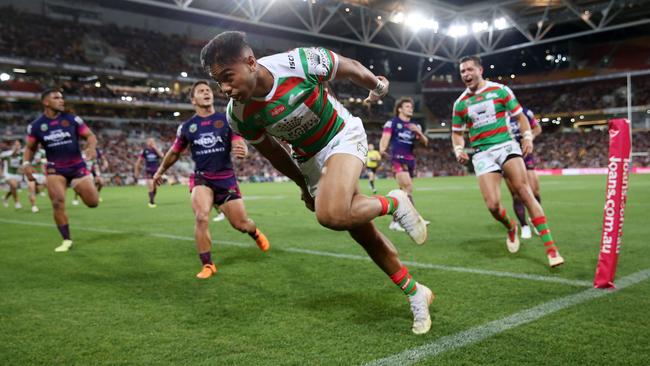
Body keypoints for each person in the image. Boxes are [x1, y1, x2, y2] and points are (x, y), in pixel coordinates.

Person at [201, 31, 432, 334]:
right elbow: (274, 153)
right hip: (308, 161)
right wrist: (303, 185)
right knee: (363, 234)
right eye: (220, 83)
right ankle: (416, 292)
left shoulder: (297, 63)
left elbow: (347, 66)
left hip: (341, 136)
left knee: (331, 214)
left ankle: (394, 202)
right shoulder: (239, 115)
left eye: (228, 77)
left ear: (251, 61)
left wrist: (376, 86)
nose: (226, 89)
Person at [450, 56, 563, 268]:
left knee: (524, 191)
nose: (466, 74)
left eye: (469, 70)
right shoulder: (460, 104)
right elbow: (457, 133)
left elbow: (521, 118)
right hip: (482, 153)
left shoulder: (501, 91)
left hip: (506, 146)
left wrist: (527, 137)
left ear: (480, 70)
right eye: (462, 71)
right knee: (493, 205)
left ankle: (551, 249)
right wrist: (458, 148)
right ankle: (511, 226)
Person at [153, 80, 270, 279]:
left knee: (241, 224)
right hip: (202, 179)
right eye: (201, 91)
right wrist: (160, 171)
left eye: (208, 90)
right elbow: (174, 153)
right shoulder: (188, 127)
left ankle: (254, 232)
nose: (207, 93)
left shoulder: (226, 119)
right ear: (193, 100)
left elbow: (238, 142)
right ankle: (208, 264)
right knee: (201, 216)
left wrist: (243, 149)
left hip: (226, 179)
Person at [23, 89, 100, 252]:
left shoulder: (72, 119)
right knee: (57, 202)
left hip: (77, 166)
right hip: (55, 169)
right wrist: (26, 163)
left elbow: (90, 136)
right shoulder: (36, 126)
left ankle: (81, 186)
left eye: (62, 98)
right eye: (56, 98)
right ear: (46, 102)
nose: (61, 100)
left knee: (93, 202)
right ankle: (66, 240)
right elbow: (30, 147)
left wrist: (91, 147)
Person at [379, 97, 429, 231]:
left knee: (404, 192)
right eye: (407, 106)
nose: (410, 109)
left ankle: (395, 222)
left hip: (410, 160)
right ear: (400, 109)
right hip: (397, 158)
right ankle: (416, 220)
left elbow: (425, 143)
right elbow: (385, 138)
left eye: (411, 107)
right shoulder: (393, 123)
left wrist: (418, 132)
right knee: (408, 188)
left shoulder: (415, 126)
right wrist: (382, 149)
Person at [506, 108, 542, 239]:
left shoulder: (525, 112)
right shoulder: (496, 115)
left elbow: (537, 128)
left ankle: (536, 220)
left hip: (526, 155)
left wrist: (529, 137)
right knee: (516, 195)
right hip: (508, 156)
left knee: (534, 191)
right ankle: (524, 226)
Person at [134, 138, 163, 207]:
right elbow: (139, 161)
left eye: (152, 141)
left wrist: (155, 148)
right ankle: (151, 202)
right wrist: (137, 169)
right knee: (151, 186)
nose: (151, 142)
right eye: (149, 141)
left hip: (156, 171)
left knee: (155, 188)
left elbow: (162, 156)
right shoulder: (145, 151)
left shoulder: (156, 150)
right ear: (147, 143)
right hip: (148, 171)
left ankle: (152, 199)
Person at [1, 140, 24, 209]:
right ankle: (17, 202)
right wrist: (1, 172)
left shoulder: (22, 154)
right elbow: (1, 162)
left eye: (18, 145)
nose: (17, 146)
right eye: (16, 145)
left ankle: (5, 198)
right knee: (14, 185)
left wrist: (22, 168)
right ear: (12, 146)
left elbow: (23, 163)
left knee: (13, 188)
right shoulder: (6, 154)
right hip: (8, 173)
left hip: (18, 175)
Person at [27, 147, 47, 213]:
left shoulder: (42, 152)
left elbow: (45, 161)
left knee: (45, 184)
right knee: (32, 189)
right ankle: (34, 206)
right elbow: (24, 162)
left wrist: (41, 160)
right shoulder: (28, 151)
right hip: (31, 173)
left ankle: (34, 194)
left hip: (40, 173)